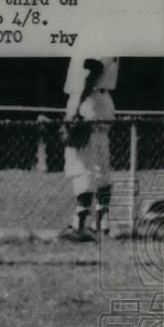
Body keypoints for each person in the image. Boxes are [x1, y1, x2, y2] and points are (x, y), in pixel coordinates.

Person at [63, 58, 116, 239]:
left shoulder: (93, 36)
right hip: (102, 101)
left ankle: (79, 223)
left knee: (81, 163)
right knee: (101, 164)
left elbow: (92, 70)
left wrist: (76, 107)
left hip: (87, 100)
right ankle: (102, 221)